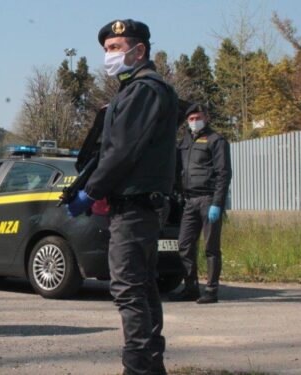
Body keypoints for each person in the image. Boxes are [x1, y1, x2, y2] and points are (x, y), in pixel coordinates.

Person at [66, 19, 178, 374]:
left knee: (129, 290)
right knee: (142, 288)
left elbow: (122, 152)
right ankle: (150, 365)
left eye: (115, 48)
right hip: (137, 205)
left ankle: (138, 368)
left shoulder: (144, 90)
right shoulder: (135, 90)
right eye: (106, 50)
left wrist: (90, 191)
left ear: (139, 50)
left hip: (134, 206)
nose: (109, 56)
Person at [170, 103, 232, 304]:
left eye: (198, 117)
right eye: (191, 119)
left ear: (206, 118)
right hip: (189, 201)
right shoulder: (184, 142)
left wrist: (218, 203)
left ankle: (211, 290)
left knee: (211, 247)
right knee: (185, 244)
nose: (194, 122)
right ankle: (190, 287)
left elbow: (224, 174)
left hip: (208, 200)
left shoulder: (216, 140)